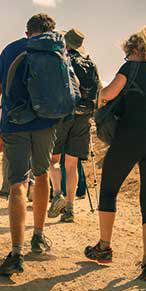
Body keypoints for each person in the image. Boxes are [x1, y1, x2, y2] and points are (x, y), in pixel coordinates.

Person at [84, 26, 146, 282]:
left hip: (129, 137)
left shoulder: (130, 69)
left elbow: (107, 94)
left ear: (136, 50)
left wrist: (101, 97)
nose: (126, 58)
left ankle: (104, 247)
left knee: (109, 190)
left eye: (128, 54)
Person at [0, 13, 61, 276]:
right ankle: (38, 237)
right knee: (42, 176)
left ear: (27, 31)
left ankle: (16, 254)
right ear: (51, 31)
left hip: (15, 125)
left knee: (17, 184)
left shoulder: (11, 49)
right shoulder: (57, 50)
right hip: (46, 124)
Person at [48, 28, 100, 223]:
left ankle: (57, 195)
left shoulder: (62, 60)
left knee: (53, 160)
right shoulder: (90, 63)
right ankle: (70, 208)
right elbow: (99, 91)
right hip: (84, 117)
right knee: (72, 165)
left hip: (63, 116)